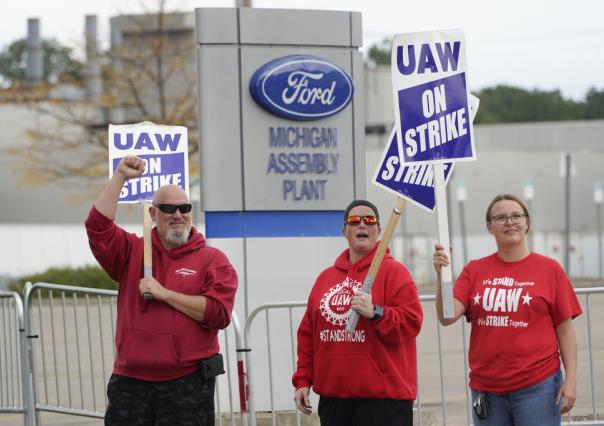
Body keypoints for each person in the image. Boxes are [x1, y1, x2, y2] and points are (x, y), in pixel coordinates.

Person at [85, 155, 238, 426]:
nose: (178, 215)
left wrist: (165, 293)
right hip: (130, 382)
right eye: (168, 208)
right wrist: (120, 175)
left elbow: (218, 313)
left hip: (186, 383)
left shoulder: (213, 260)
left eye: (184, 208)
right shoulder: (132, 251)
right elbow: (97, 227)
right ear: (153, 214)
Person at [433, 193, 582, 425]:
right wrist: (441, 276)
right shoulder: (475, 270)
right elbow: (446, 316)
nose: (509, 222)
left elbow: (565, 329)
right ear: (489, 227)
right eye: (500, 218)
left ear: (527, 223)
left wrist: (570, 379)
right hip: (487, 390)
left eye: (516, 216)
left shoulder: (550, 270)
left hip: (538, 387)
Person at [292, 199, 423, 426]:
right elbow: (308, 334)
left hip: (383, 400)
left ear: (379, 231)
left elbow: (412, 322)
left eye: (369, 220)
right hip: (335, 399)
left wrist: (376, 313)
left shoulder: (394, 272)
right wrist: (303, 380)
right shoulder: (325, 278)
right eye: (354, 221)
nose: (362, 225)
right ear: (344, 231)